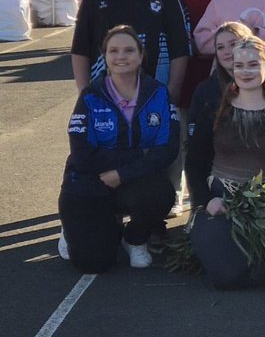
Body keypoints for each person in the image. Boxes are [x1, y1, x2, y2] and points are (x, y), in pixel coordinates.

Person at [58, 25, 179, 272]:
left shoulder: (158, 93)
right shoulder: (91, 94)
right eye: (113, 51)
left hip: (133, 180)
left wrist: (122, 174)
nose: (121, 56)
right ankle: (77, 225)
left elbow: (167, 150)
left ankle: (134, 239)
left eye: (128, 50)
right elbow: (82, 153)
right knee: (93, 263)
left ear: (141, 55)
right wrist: (138, 156)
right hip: (91, 180)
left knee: (161, 193)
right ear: (104, 56)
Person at [188, 37, 265, 289]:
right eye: (239, 66)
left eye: (253, 65)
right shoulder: (214, 110)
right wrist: (206, 200)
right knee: (229, 276)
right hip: (220, 198)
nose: (245, 71)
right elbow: (195, 162)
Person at [185, 20, 256, 212]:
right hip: (217, 186)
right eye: (220, 47)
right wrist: (204, 199)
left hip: (264, 185)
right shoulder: (206, 92)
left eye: (233, 44)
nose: (226, 51)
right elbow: (195, 155)